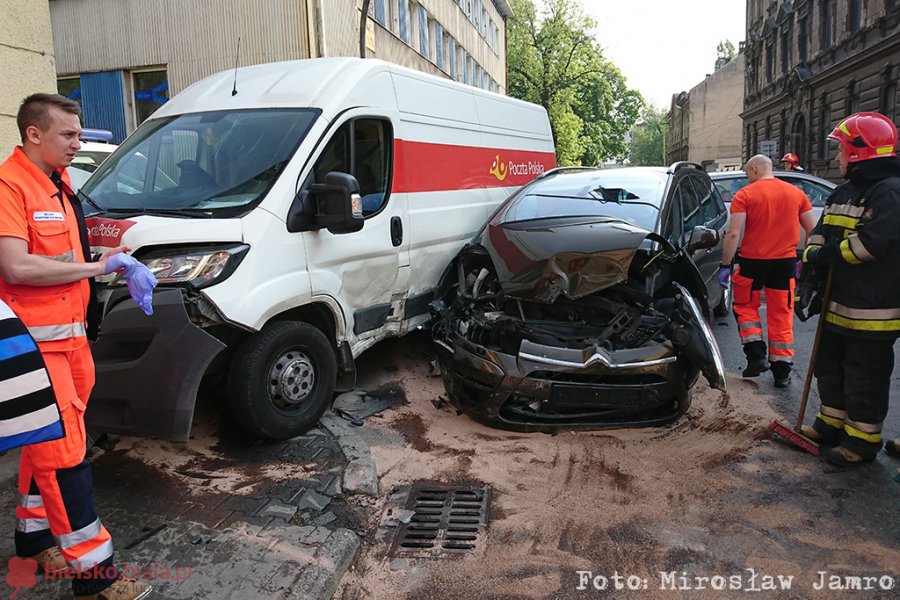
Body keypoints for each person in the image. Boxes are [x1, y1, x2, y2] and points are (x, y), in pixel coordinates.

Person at [0, 94, 154, 600]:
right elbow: (17, 267)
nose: (77, 144)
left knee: (46, 448)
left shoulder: (59, 184)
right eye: (68, 135)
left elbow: (66, 252)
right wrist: (98, 268)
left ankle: (33, 540)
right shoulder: (9, 186)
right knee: (65, 457)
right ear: (33, 134)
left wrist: (112, 256)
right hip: (34, 354)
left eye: (78, 134)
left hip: (71, 343)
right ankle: (95, 576)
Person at [796, 111, 900, 468]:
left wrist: (822, 255)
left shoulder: (889, 192)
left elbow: (867, 246)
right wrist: (809, 276)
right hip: (836, 302)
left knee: (864, 376)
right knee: (830, 367)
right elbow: (820, 232)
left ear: (860, 151)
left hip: (873, 311)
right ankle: (830, 424)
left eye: (840, 150)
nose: (836, 157)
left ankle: (861, 441)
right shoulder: (845, 191)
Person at [719, 155, 817, 387]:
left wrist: (725, 264)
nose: (747, 178)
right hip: (785, 262)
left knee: (744, 306)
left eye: (747, 173)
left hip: (753, 262)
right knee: (781, 312)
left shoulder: (745, 195)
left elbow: (733, 234)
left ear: (754, 169)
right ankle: (782, 372)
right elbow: (812, 228)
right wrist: (807, 260)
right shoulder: (796, 194)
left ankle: (756, 356)